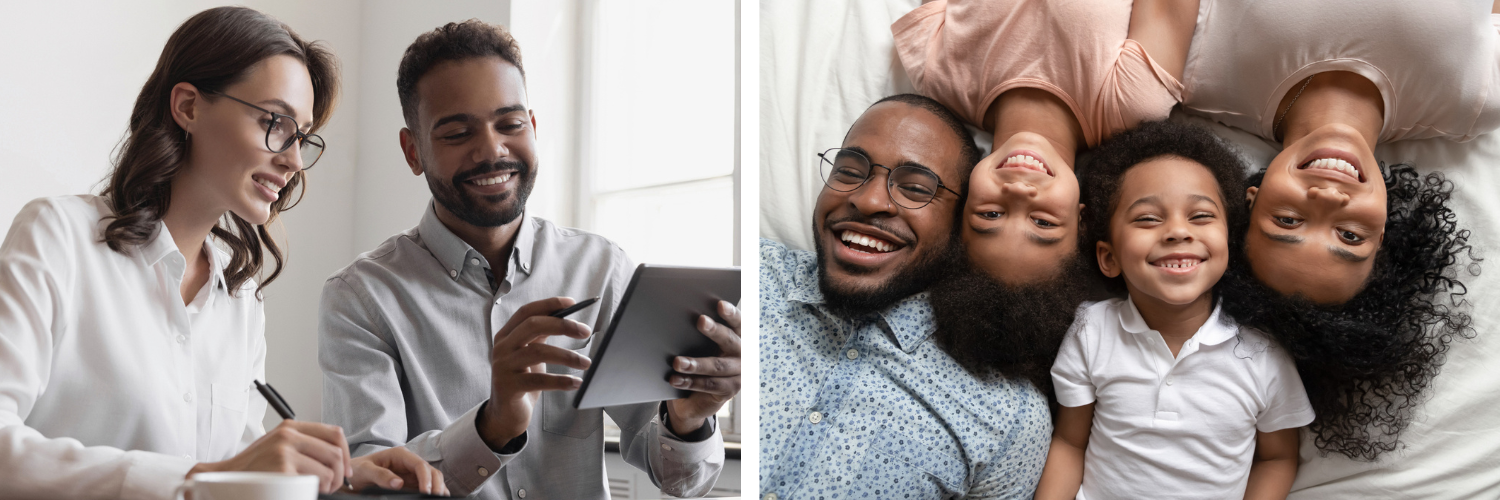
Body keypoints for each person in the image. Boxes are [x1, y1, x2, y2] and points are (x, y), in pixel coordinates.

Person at [0, 7, 441, 499]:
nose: (294, 159)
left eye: (301, 136)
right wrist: (194, 480)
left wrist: (342, 475)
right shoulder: (58, 236)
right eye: (275, 122)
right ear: (188, 106)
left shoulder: (239, 295)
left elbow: (237, 471)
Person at [318, 20, 738, 500]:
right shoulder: (360, 297)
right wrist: (493, 425)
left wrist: (688, 419)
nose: (492, 150)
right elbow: (370, 486)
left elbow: (683, 480)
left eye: (511, 124)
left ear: (533, 127)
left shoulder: (601, 269)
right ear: (414, 151)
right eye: (457, 132)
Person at [1176, 0, 1487, 459]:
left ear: (1251, 199)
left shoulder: (1197, 76)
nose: (1326, 198)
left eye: (1287, 221)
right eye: (1349, 236)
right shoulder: (1474, 104)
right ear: (1383, 237)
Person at [760, 94, 1051, 499]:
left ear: (960, 225)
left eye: (915, 188)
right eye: (848, 171)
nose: (869, 200)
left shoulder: (1008, 418)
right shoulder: (750, 280)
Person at [1038, 121, 1314, 499]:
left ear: (1228, 243)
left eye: (1200, 216)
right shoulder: (1092, 329)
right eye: (1148, 218)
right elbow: (1070, 441)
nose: (1177, 232)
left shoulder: (1263, 354)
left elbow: (1277, 458)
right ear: (1109, 257)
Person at [892, 0, 1197, 287]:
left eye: (991, 215)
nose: (1019, 192)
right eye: (1043, 222)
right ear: (1081, 222)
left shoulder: (935, 75)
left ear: (963, 205)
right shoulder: (1132, 101)